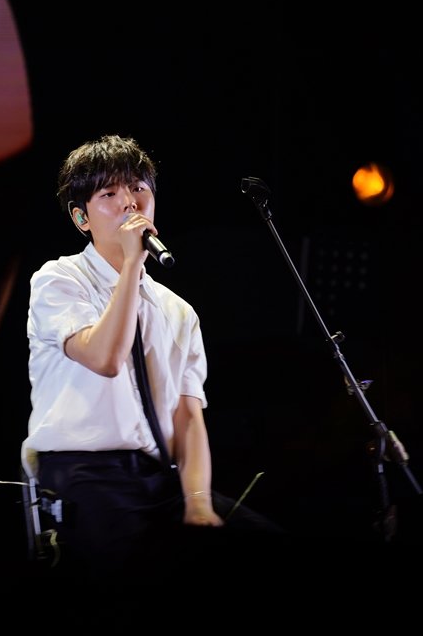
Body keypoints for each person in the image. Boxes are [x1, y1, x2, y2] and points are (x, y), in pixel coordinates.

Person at [20, 134, 282, 585]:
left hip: (158, 477)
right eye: (109, 193)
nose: (129, 202)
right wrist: (130, 265)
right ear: (81, 217)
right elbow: (105, 357)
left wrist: (198, 503)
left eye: (139, 188)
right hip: (84, 474)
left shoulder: (179, 312)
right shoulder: (58, 280)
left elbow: (187, 416)